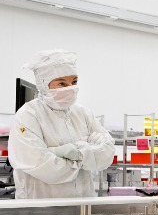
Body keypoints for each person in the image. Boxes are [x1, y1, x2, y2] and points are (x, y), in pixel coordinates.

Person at [9, 50, 115, 198]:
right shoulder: (28, 115)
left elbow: (107, 153)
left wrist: (74, 153)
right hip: (41, 210)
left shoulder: (82, 113)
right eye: (62, 83)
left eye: (74, 82)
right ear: (44, 84)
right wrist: (88, 154)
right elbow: (41, 165)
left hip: (83, 206)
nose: (70, 88)